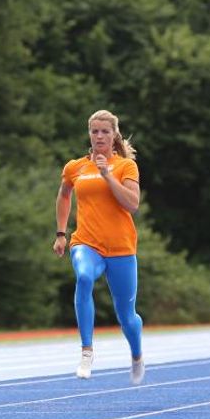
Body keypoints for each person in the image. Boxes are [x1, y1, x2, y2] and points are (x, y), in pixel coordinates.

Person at [52, 109, 145, 385]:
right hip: (86, 242)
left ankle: (137, 354)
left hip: (120, 248)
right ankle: (86, 351)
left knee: (126, 316)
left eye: (105, 131)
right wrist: (61, 233)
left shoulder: (125, 167)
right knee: (82, 276)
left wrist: (107, 175)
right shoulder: (75, 167)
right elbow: (64, 195)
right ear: (89, 134)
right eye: (95, 131)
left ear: (114, 134)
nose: (99, 136)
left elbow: (132, 204)